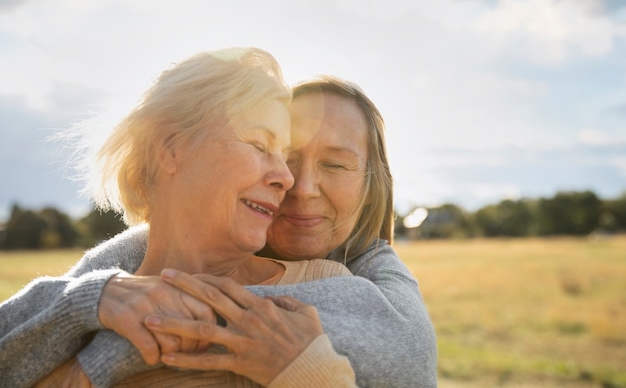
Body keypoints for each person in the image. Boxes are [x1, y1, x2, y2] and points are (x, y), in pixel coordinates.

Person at [0, 73, 438, 387]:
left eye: (336, 164)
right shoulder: (121, 266)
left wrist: (108, 354)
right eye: (274, 152)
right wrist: (93, 300)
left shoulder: (357, 286)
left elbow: (408, 351)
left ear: (371, 184)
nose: (296, 185)